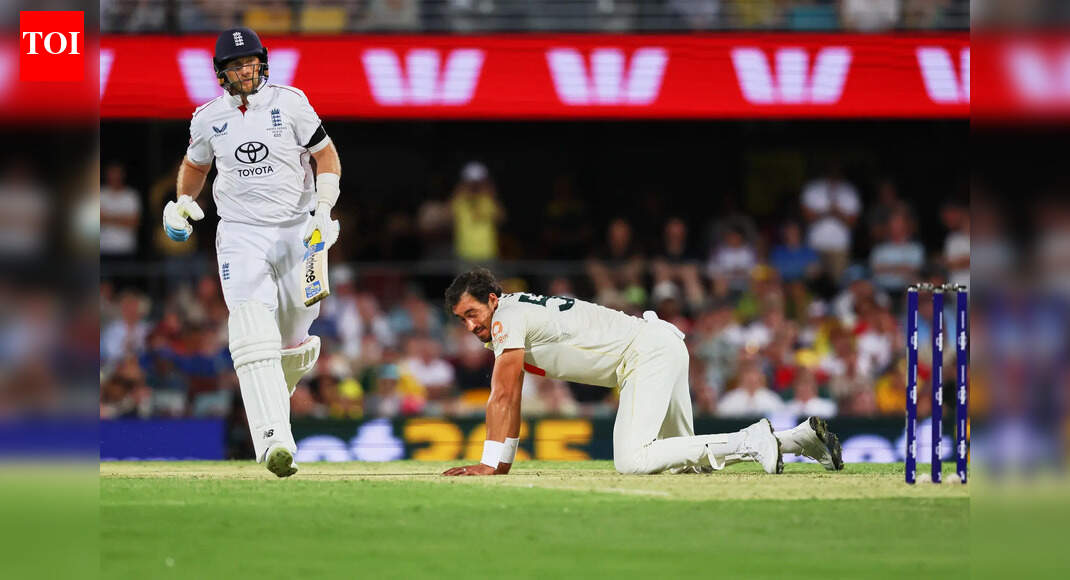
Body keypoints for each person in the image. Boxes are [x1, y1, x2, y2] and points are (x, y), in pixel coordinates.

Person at [440, 268, 844, 476]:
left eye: (473, 313)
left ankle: (752, 439)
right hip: (658, 345)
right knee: (687, 460)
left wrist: (490, 463)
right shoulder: (512, 314)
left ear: (492, 299)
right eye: (462, 320)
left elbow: (504, 394)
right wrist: (501, 463)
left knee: (632, 460)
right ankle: (800, 440)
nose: (471, 325)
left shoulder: (506, 317)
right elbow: (511, 394)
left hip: (643, 354)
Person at [162, 27, 343, 477]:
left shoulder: (292, 102)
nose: (246, 71)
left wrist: (323, 210)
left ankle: (275, 395)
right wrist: (182, 201)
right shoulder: (208, 118)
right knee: (251, 327)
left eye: (251, 62)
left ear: (262, 62)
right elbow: (195, 165)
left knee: (295, 337)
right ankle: (274, 441)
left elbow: (326, 158)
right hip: (241, 233)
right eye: (237, 66)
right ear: (221, 73)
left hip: (298, 230)